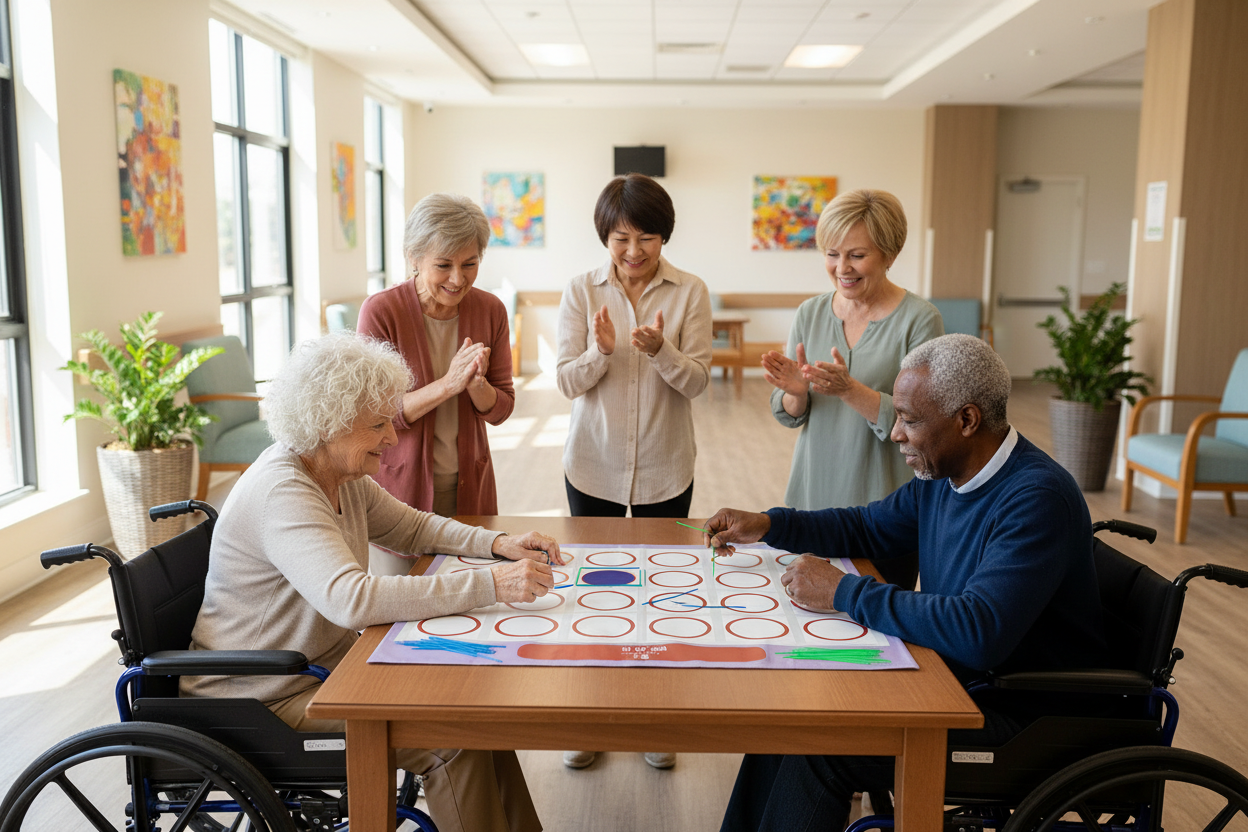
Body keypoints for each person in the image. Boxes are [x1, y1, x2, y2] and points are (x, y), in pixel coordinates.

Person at [707, 334, 1108, 832]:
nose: (896, 434)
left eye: (910, 420)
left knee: (820, 747)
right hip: (950, 680)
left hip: (1020, 717)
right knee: (790, 717)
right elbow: (865, 526)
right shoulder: (947, 474)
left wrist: (842, 591)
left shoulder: (1036, 499)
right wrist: (770, 524)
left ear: (967, 420)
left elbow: (977, 631)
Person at [181, 332, 560, 832]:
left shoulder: (339, 475)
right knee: (449, 738)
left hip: (320, 669)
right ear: (328, 425)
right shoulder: (283, 491)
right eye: (378, 425)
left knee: (475, 715)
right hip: (261, 699)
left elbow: (414, 526)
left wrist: (498, 544)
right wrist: (493, 584)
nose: (393, 437)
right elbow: (352, 600)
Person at [555, 173, 712, 770]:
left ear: (663, 237)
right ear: (606, 236)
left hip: (666, 467)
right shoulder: (580, 290)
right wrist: (601, 352)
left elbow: (698, 381)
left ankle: (654, 719)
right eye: (622, 237)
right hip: (592, 463)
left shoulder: (690, 291)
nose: (634, 251)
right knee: (595, 592)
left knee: (662, 592)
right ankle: (589, 719)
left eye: (648, 236)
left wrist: (660, 352)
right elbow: (566, 381)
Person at [764, 188, 942, 590]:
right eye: (832, 253)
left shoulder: (920, 320)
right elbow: (790, 413)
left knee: (879, 630)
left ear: (890, 255)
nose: (841, 267)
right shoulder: (810, 312)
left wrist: (849, 390)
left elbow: (926, 423)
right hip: (812, 498)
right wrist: (796, 392)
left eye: (857, 255)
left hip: (885, 511)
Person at [358, 193, 514, 575]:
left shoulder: (490, 309)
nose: (458, 278)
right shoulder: (382, 312)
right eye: (443, 265)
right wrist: (447, 384)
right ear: (414, 257)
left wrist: (476, 386)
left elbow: (503, 406)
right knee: (397, 616)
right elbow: (370, 415)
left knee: (471, 603)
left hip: (469, 486)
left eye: (470, 263)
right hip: (398, 492)